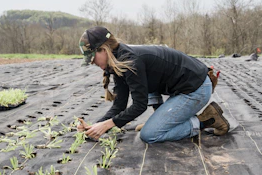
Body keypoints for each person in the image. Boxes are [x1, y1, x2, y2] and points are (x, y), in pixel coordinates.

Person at [77, 26, 230, 143]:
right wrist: (94, 127)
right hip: (182, 87)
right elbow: (119, 105)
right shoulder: (117, 61)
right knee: (150, 117)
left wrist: (107, 125)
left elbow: (139, 105)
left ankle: (207, 120)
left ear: (103, 49)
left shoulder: (130, 61)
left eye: (93, 58)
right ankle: (161, 120)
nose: (93, 63)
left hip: (195, 89)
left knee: (150, 135)